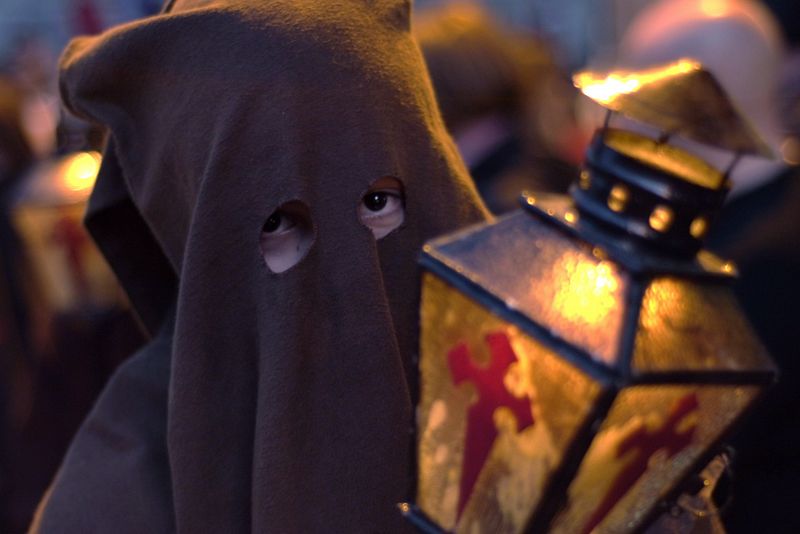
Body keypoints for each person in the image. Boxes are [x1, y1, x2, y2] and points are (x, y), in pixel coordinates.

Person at [30, 0, 488, 532]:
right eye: (276, 223)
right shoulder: (112, 502)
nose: (348, 272)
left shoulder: (542, 397)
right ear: (204, 246)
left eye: (380, 202)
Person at [620, 1, 800, 532]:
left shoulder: (760, 263)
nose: (624, 119)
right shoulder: (734, 223)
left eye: (638, 98)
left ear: (691, 105)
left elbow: (682, 449)